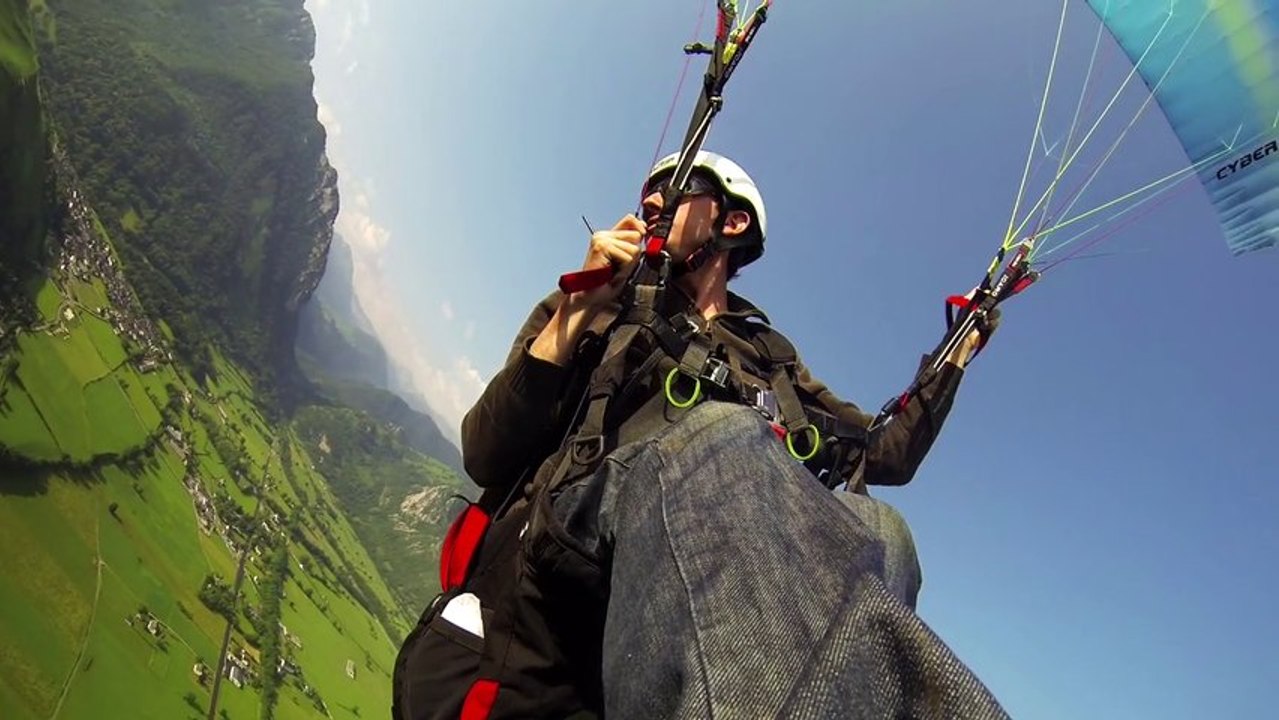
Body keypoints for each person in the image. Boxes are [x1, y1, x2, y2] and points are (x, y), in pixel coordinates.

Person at [392, 151, 1010, 720]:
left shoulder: (771, 358)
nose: (650, 202)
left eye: (673, 189)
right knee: (725, 436)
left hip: (675, 622)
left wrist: (955, 358)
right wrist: (577, 309)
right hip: (558, 575)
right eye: (647, 192)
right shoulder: (601, 298)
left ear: (731, 223)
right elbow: (485, 450)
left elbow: (885, 452)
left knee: (881, 531)